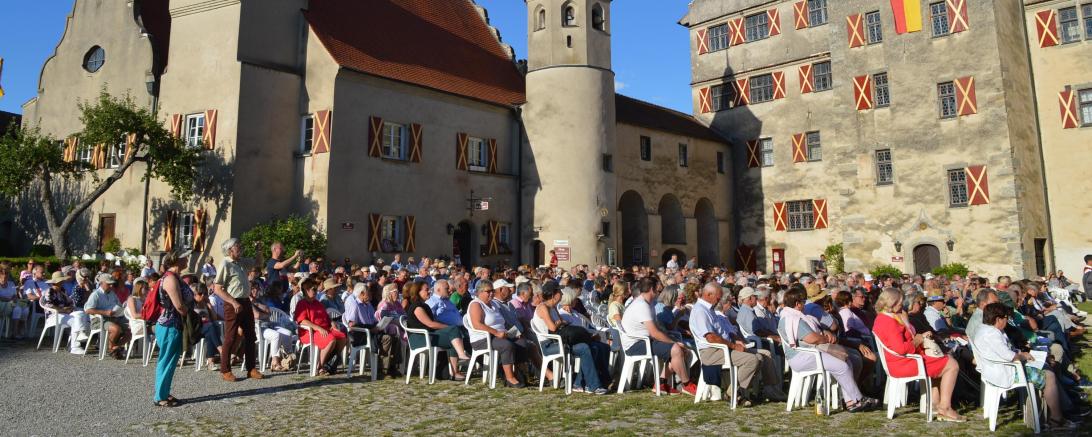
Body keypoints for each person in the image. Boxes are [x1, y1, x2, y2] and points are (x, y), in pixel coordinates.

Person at [974, 302, 1077, 431]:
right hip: (1006, 371)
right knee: (1049, 375)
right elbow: (1010, 356)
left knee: (1047, 365)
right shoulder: (993, 334)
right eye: (1006, 318)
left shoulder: (984, 330)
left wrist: (1024, 354)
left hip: (996, 369)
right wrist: (1024, 356)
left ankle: (1058, 411)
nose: (1007, 320)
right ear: (998, 319)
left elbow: (1004, 352)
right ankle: (1056, 419)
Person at [872, 287, 964, 421]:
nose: (902, 305)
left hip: (900, 361)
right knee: (952, 364)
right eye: (900, 302)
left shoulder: (884, 317)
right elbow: (901, 349)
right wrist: (917, 340)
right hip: (903, 363)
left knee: (944, 360)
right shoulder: (889, 321)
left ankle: (936, 404)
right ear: (891, 302)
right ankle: (945, 407)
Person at [779, 287, 877, 412]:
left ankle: (851, 401)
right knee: (842, 366)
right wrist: (826, 338)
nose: (805, 304)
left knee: (846, 359)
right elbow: (812, 338)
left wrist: (823, 333)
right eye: (803, 301)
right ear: (797, 304)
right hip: (801, 356)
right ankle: (857, 399)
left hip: (808, 353)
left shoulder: (792, 314)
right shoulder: (792, 318)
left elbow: (813, 332)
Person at [692, 282, 786, 404]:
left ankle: (767, 390)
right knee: (753, 359)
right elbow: (711, 338)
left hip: (721, 348)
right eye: (718, 297)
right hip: (712, 351)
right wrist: (733, 345)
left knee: (763, 355)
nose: (719, 300)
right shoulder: (701, 311)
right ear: (709, 294)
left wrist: (734, 341)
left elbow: (721, 333)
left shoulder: (708, 309)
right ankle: (734, 393)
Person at [619, 279, 695, 395]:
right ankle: (686, 384)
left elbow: (656, 330)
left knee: (681, 350)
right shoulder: (641, 305)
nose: (660, 291)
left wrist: (673, 341)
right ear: (652, 290)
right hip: (635, 344)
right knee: (676, 349)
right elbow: (654, 332)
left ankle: (661, 383)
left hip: (644, 341)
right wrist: (673, 343)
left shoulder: (647, 303)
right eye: (658, 289)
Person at [533, 282, 609, 394]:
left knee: (597, 346)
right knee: (584, 348)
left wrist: (561, 322)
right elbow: (553, 327)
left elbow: (562, 323)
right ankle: (593, 386)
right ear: (554, 294)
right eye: (560, 292)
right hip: (550, 345)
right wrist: (560, 322)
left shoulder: (552, 308)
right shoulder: (543, 307)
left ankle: (582, 383)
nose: (562, 295)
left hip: (559, 341)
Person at [213, 238, 264, 382]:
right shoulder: (225, 263)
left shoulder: (241, 262)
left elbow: (258, 263)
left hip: (245, 301)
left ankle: (251, 368)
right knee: (231, 337)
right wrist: (233, 302)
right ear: (230, 250)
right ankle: (225, 370)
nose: (240, 247)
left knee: (250, 335)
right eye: (237, 246)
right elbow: (217, 289)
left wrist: (259, 250)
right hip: (232, 303)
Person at [405, 281, 471, 379]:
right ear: (418, 292)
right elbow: (430, 323)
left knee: (454, 338)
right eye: (426, 290)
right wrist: (448, 327)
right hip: (419, 338)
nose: (429, 292)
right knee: (453, 330)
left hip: (428, 335)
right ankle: (461, 354)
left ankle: (454, 372)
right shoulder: (417, 307)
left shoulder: (424, 305)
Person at [153, 251, 193, 407]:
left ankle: (163, 393)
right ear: (178, 259)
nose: (188, 259)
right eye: (185, 257)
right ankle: (160, 396)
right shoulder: (170, 279)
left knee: (169, 360)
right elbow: (179, 306)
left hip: (173, 324)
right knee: (167, 360)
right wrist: (189, 315)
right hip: (170, 324)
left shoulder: (175, 277)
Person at [468, 281, 526, 387]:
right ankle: (509, 378)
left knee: (523, 343)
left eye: (492, 291)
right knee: (506, 346)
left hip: (501, 335)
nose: (491, 293)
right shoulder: (476, 304)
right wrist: (496, 333)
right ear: (480, 292)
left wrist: (515, 333)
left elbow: (503, 322)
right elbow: (477, 324)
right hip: (483, 338)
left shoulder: (494, 304)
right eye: (488, 291)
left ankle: (517, 372)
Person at [343, 282, 401, 377]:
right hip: (360, 334)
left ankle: (391, 366)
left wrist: (380, 325)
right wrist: (370, 329)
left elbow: (373, 320)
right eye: (368, 293)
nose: (371, 294)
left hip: (371, 331)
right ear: (362, 294)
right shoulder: (355, 305)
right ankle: (382, 369)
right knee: (387, 338)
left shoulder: (368, 304)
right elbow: (352, 324)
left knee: (395, 338)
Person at [294, 278, 347, 376]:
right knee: (331, 340)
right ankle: (320, 367)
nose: (316, 291)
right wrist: (318, 328)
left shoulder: (318, 303)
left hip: (324, 329)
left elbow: (326, 317)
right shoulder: (302, 303)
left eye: (316, 289)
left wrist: (332, 323)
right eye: (314, 289)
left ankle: (328, 362)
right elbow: (302, 321)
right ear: (306, 291)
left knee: (342, 337)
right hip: (309, 333)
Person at [85, 274, 129, 359]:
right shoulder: (95, 294)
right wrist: (105, 312)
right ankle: (112, 348)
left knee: (131, 329)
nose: (111, 286)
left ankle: (114, 347)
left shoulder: (112, 293)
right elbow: (88, 310)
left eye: (112, 283)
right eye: (109, 284)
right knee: (116, 329)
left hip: (114, 317)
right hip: (99, 320)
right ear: (101, 283)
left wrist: (120, 310)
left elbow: (119, 305)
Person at [0, 264, 27, 339]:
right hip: (2, 305)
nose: (4, 275)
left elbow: (15, 295)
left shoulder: (11, 284)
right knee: (17, 309)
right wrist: (9, 299)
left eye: (6, 273)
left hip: (11, 304)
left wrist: (14, 298)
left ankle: (19, 331)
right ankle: (15, 333)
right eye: (2, 273)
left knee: (25, 310)